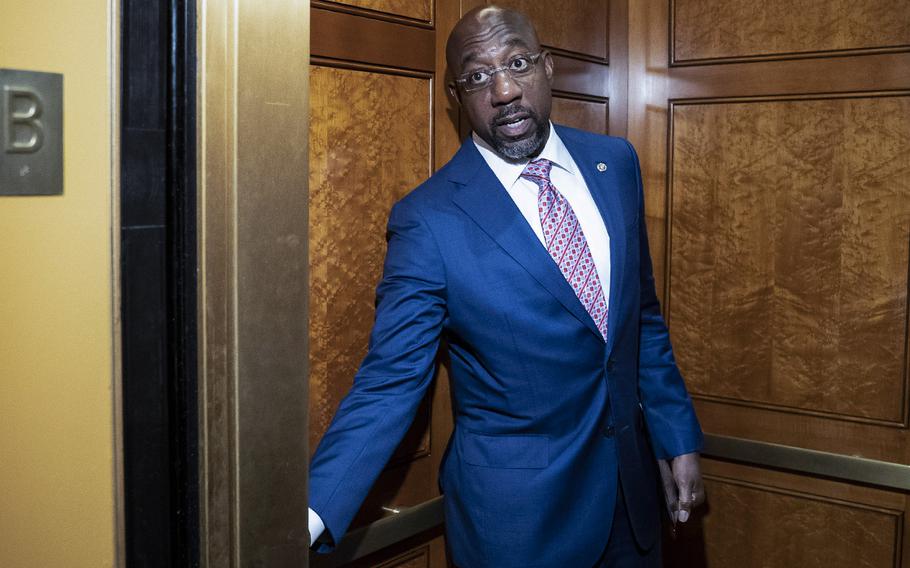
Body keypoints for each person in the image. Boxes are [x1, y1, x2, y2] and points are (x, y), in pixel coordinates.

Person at [307, 6, 704, 566]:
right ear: (456, 97)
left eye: (517, 63)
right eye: (477, 76)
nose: (503, 90)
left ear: (547, 67)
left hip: (632, 503)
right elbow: (390, 382)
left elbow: (641, 320)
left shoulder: (614, 164)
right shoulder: (429, 221)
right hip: (518, 526)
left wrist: (675, 435)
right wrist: (305, 515)